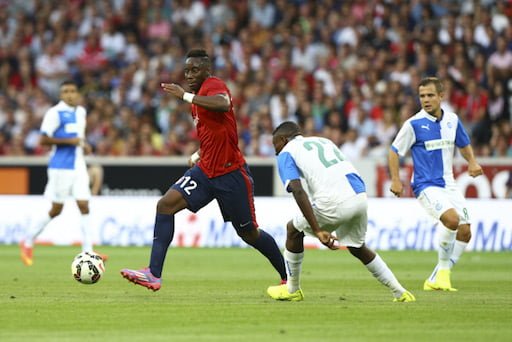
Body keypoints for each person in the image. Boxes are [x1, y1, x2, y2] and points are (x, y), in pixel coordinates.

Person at [120, 49, 287, 291]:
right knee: (165, 205)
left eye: (194, 70)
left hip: (231, 174)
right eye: (186, 70)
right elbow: (215, 132)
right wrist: (199, 154)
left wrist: (185, 96)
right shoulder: (197, 101)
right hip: (206, 171)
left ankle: (287, 275)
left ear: (207, 70)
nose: (189, 74)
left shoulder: (213, 85)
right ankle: (153, 273)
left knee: (249, 234)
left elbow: (223, 104)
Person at [266, 121, 415, 302]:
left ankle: (292, 289)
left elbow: (297, 190)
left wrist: (318, 230)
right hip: (359, 194)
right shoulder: (324, 141)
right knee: (357, 247)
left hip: (334, 200)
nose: (276, 151)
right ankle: (400, 292)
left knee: (293, 229)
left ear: (283, 139)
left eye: (276, 146)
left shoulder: (286, 153)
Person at [388, 77, 483, 291]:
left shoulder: (452, 120)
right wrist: (395, 179)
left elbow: (464, 144)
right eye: (422, 96)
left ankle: (436, 278)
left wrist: (473, 162)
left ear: (441, 96)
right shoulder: (413, 124)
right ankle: (442, 273)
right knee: (451, 219)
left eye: (430, 95)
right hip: (425, 184)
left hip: (448, 183)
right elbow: (394, 152)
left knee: (465, 231)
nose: (426, 100)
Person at [19, 80, 107, 265]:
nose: (69, 94)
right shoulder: (54, 113)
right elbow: (43, 140)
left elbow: (78, 138)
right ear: (61, 95)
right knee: (56, 209)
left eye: (73, 91)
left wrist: (84, 145)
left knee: (84, 205)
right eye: (65, 91)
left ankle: (88, 251)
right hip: (60, 167)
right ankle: (27, 240)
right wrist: (70, 142)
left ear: (77, 94)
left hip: (78, 165)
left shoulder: (81, 112)